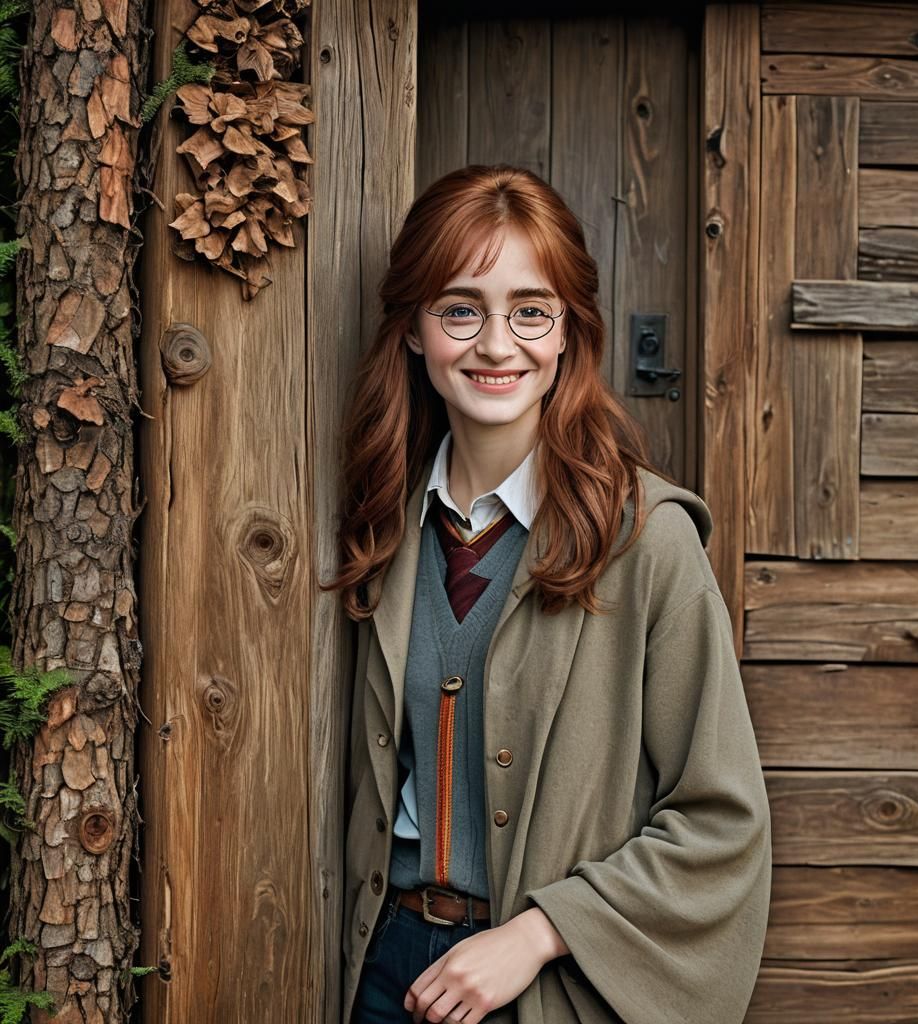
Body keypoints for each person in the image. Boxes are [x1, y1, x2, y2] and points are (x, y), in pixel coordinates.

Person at [329, 164, 771, 1024]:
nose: (497, 345)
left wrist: (538, 933)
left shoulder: (649, 541)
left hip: (556, 986)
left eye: (531, 311)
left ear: (568, 331)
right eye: (461, 309)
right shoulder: (380, 526)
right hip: (383, 972)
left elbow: (720, 823)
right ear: (415, 330)